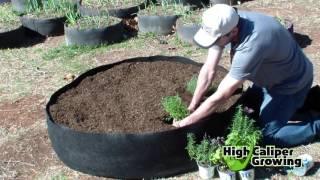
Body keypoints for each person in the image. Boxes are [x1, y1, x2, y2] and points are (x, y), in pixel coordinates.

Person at [172, 4, 320, 147]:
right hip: (270, 77)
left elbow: (223, 94)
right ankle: (300, 105)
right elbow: (209, 70)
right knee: (247, 112)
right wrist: (192, 105)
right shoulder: (228, 20)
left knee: (266, 135)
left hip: (290, 84)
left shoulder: (251, 44)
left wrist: (188, 121)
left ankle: (316, 124)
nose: (214, 43)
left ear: (233, 32)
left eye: (216, 40)